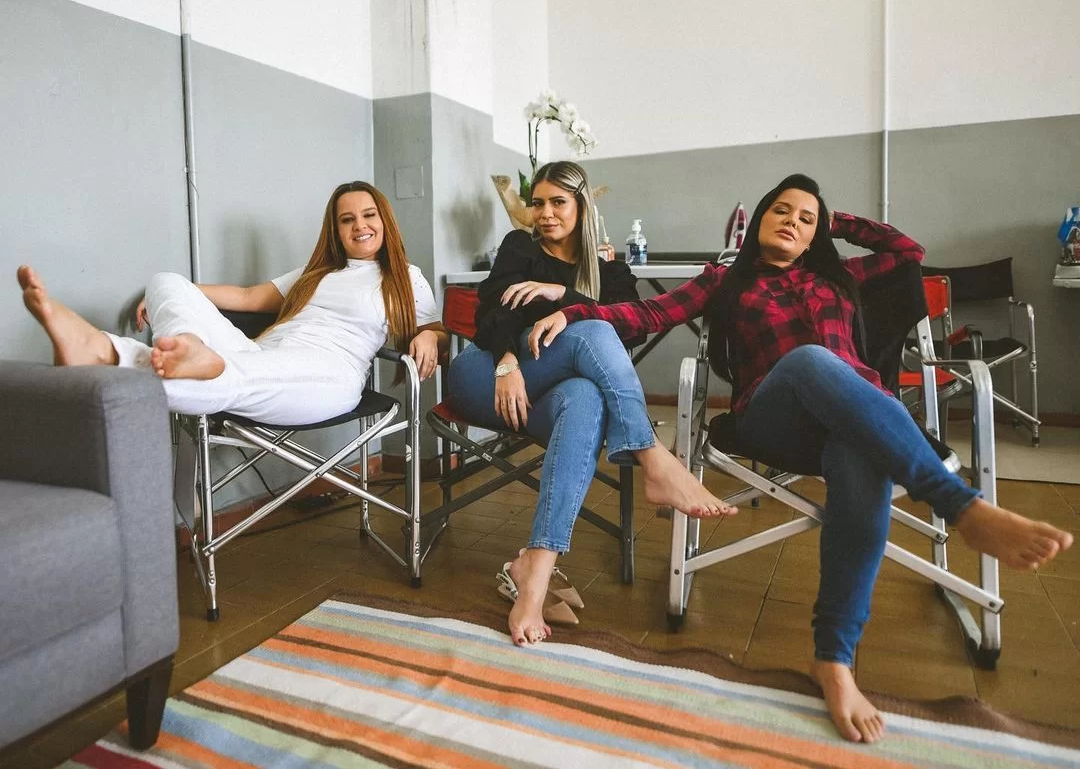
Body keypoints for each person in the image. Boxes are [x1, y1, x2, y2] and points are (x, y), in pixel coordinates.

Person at [528, 173, 1074, 745]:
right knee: (811, 360)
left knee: (859, 455)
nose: (793, 221)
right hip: (772, 416)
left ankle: (833, 660)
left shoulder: (842, 275)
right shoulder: (725, 279)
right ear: (759, 218)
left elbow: (908, 253)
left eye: (806, 218)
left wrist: (834, 220)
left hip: (859, 418)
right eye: (781, 210)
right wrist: (572, 310)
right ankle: (963, 509)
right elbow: (648, 316)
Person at [448, 161, 736, 648]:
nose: (544, 213)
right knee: (594, 331)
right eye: (537, 203)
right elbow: (489, 312)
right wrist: (506, 362)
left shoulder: (610, 268)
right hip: (487, 374)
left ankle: (533, 572)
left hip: (550, 392)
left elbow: (634, 323)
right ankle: (653, 457)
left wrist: (563, 293)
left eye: (558, 202)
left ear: (582, 208)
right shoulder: (519, 248)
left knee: (585, 396)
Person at [18, 181, 447, 425]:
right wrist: (165, 296)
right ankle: (186, 351)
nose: (360, 225)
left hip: (328, 373)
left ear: (384, 221)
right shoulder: (314, 273)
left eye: (369, 215)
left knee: (236, 377)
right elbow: (246, 297)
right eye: (347, 218)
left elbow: (438, 332)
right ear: (335, 230)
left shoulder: (405, 278)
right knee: (167, 280)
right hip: (261, 352)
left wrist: (431, 336)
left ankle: (107, 352)